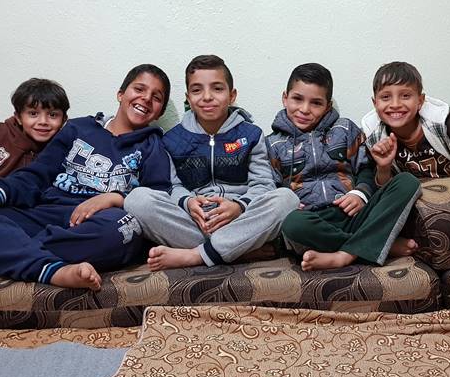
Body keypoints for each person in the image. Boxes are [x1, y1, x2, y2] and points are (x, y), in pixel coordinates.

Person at [0, 64, 173, 289]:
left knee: (126, 229)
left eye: (156, 97)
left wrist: (114, 198)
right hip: (49, 210)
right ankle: (52, 270)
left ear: (160, 112)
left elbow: (157, 199)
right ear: (120, 94)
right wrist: (3, 191)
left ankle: (18, 251)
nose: (146, 98)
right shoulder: (78, 128)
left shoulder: (154, 146)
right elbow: (37, 174)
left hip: (101, 223)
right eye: (139, 89)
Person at [124, 55, 299, 271]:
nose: (207, 97)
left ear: (232, 95)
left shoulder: (251, 134)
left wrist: (239, 207)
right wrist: (188, 202)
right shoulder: (171, 140)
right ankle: (236, 251)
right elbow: (172, 186)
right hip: (195, 222)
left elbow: (263, 184)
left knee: (287, 198)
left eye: (217, 89)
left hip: (240, 220)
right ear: (188, 98)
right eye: (197, 90)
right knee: (137, 199)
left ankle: (198, 255)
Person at [266, 63, 421, 271]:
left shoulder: (345, 129)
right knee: (292, 223)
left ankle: (344, 255)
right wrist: (289, 203)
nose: (304, 109)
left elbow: (365, 168)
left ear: (327, 106)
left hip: (354, 214)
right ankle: (375, 245)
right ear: (285, 98)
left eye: (316, 103)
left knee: (407, 182)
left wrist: (360, 193)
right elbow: (272, 187)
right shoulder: (272, 144)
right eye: (297, 99)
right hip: (313, 222)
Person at [0, 78, 69, 177]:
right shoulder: (1, 133)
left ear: (63, 120)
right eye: (33, 114)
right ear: (18, 117)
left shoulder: (66, 150)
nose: (43, 122)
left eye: (52, 115)